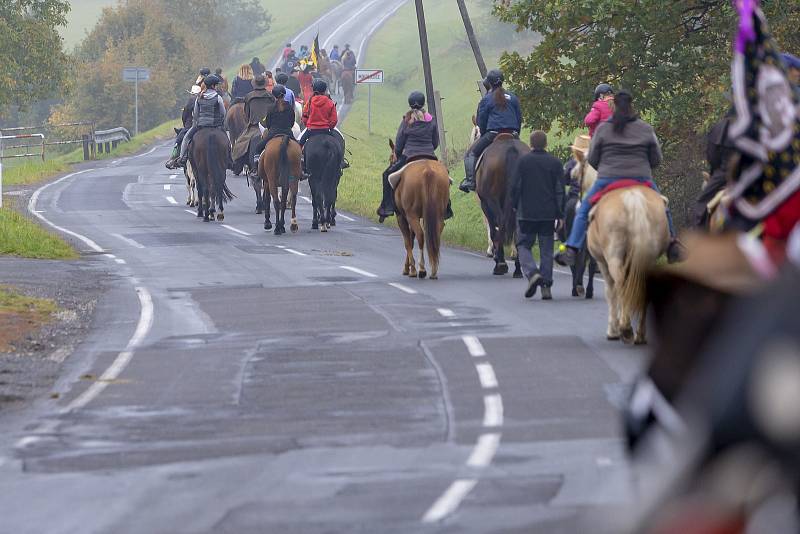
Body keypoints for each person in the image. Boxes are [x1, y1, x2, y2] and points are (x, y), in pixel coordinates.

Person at [554, 90, 682, 266]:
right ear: (632, 106)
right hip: (641, 179)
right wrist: (643, 168)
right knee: (662, 206)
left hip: (609, 179)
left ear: (613, 107)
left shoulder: (603, 129)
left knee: (583, 209)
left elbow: (593, 159)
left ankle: (572, 248)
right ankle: (672, 245)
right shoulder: (645, 128)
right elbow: (656, 158)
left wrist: (604, 170)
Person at [378, 91, 453, 222]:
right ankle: (446, 208)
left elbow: (399, 143)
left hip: (409, 156)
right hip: (429, 155)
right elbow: (435, 142)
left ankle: (387, 207)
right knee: (444, 177)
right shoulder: (432, 120)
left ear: (410, 105)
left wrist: (399, 153)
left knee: (387, 175)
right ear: (423, 103)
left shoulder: (406, 121)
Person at [510, 131, 565, 300]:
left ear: (531, 145)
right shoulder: (555, 163)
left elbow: (515, 187)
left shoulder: (523, 162)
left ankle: (532, 273)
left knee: (523, 245)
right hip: (548, 214)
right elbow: (560, 191)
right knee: (546, 249)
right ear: (546, 144)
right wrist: (560, 214)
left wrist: (514, 205)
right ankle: (546, 287)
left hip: (526, 213)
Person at [459, 69, 522, 193]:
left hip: (493, 134)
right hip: (513, 133)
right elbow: (519, 118)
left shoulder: (486, 99)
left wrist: (483, 132)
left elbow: (481, 121)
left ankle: (470, 181)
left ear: (489, 83)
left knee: (470, 154)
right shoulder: (513, 97)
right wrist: (516, 133)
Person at [693, 109, 736, 228]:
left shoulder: (719, 128)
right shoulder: (757, 123)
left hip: (724, 176)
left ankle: (700, 240)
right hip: (752, 173)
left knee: (700, 204)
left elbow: (712, 157)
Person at [177, 75, 227, 168]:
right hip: (215, 125)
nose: (217, 87)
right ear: (213, 86)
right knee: (226, 139)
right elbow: (223, 113)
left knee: (186, 138)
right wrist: (221, 123)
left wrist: (196, 123)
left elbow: (195, 114)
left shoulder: (199, 98)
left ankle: (182, 158)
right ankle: (229, 159)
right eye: (216, 85)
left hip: (201, 125)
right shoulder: (218, 97)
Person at [166, 84, 202, 169]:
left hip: (191, 125)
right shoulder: (204, 99)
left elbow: (185, 115)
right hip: (207, 125)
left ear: (192, 93)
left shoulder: (191, 101)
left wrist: (185, 125)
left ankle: (177, 158)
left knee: (180, 139)